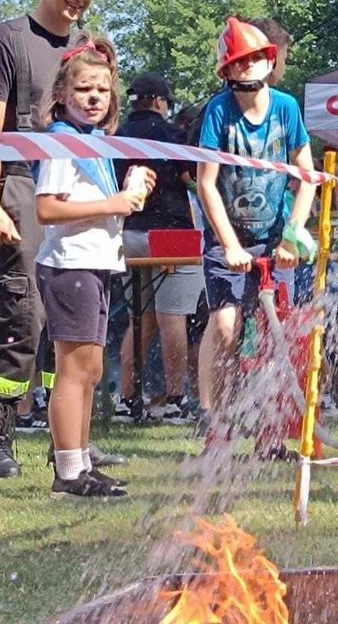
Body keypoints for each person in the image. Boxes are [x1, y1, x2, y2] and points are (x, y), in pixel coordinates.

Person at [0, 0, 110, 477]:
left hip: (77, 188)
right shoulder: (7, 40)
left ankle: (69, 445)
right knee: (21, 309)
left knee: (73, 319)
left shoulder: (88, 49)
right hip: (23, 185)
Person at [33, 34, 149, 500]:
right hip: (70, 266)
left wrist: (129, 191)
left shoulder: (94, 144)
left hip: (94, 264)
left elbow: (103, 206)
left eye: (102, 89)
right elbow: (47, 209)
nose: (94, 97)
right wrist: (115, 200)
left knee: (91, 370)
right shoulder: (64, 144)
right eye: (83, 89)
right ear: (63, 95)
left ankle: (80, 462)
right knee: (74, 372)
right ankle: (67, 473)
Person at [196, 17, 317, 453]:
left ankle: (270, 431)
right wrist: (227, 243)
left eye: (253, 59)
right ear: (227, 72)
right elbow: (206, 182)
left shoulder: (286, 108)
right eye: (238, 62)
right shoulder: (219, 112)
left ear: (268, 60)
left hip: (273, 238)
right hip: (227, 238)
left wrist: (293, 235)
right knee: (227, 329)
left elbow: (307, 175)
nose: (246, 68)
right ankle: (219, 422)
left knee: (274, 336)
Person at [113, 73, 203, 425]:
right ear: (162, 102)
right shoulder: (173, 136)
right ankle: (175, 399)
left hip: (130, 231)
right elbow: (192, 182)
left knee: (140, 318)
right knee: (173, 317)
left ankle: (126, 399)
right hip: (173, 233)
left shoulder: (117, 137)